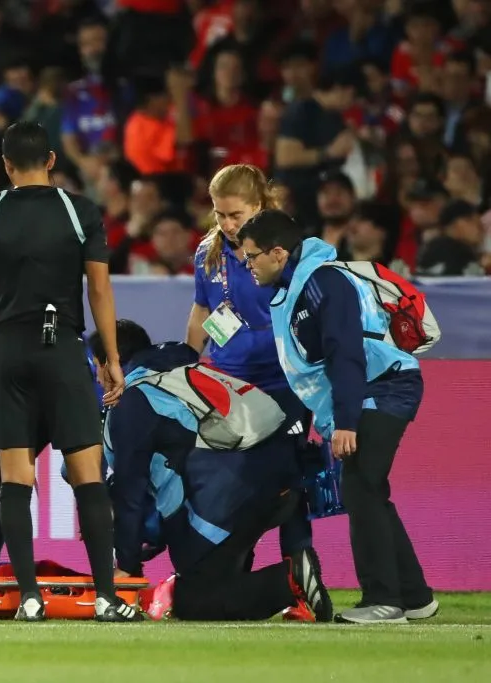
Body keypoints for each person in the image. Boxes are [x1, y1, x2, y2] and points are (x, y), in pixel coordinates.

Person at [0, 120, 137, 622]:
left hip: (9, 350)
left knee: (14, 478)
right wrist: (111, 358)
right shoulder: (79, 212)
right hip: (62, 348)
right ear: (52, 161)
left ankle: (30, 599)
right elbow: (100, 291)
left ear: (6, 167)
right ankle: (106, 597)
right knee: (87, 473)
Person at [238, 209, 438, 625]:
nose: (248, 265)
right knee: (368, 488)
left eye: (252, 256)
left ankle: (384, 600)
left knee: (362, 487)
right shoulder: (299, 286)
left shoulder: (323, 282)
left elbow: (344, 352)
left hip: (382, 386)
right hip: (369, 389)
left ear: (278, 253)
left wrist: (346, 420)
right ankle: (415, 597)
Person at [89, 320, 331, 623]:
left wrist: (125, 562)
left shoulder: (133, 400)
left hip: (229, 496)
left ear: (109, 363)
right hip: (283, 479)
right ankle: (287, 575)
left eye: (97, 366)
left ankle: (289, 580)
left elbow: (130, 491)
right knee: (207, 578)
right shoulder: (185, 372)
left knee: (195, 603)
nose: (98, 379)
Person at [186, 163, 317, 568]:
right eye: (219, 214)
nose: (226, 224)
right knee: (233, 484)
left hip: (284, 384)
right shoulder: (208, 253)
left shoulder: (283, 249)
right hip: (228, 385)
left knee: (287, 481)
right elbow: (200, 314)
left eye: (235, 215)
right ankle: (233, 572)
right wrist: (188, 371)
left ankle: (301, 579)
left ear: (258, 205)